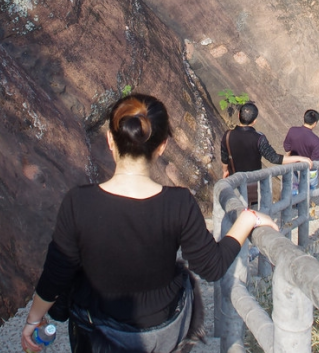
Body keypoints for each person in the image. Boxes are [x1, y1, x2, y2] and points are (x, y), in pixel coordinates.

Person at [21, 94, 279, 353]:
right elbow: (211, 267)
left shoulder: (78, 202)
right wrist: (247, 218)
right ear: (162, 146)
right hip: (163, 330)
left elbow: (56, 274)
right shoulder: (179, 203)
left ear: (110, 140)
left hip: (97, 331)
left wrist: (33, 321)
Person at [220, 102, 312, 206]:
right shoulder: (259, 138)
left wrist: (225, 171)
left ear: (238, 115)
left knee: (237, 210)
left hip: (235, 181)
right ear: (254, 121)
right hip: (253, 184)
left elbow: (224, 158)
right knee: (254, 212)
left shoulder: (227, 135)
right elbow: (274, 158)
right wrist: (300, 158)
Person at [283, 109, 319, 193]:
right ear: (315, 123)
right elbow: (315, 159)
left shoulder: (292, 130)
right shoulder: (315, 140)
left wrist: (290, 158)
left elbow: (286, 146)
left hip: (293, 164)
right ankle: (305, 202)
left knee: (293, 186)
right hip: (307, 167)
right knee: (310, 187)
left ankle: (294, 203)